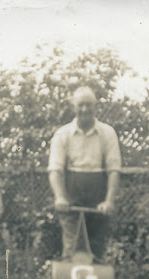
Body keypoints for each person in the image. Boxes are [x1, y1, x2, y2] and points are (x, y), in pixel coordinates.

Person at [47, 86, 121, 262]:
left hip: (98, 195)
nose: (85, 109)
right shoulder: (62, 134)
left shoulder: (107, 133)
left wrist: (109, 201)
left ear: (96, 107)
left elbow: (113, 170)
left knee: (96, 248)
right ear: (73, 107)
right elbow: (55, 170)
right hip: (72, 196)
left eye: (89, 104)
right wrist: (60, 197)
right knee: (71, 248)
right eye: (81, 105)